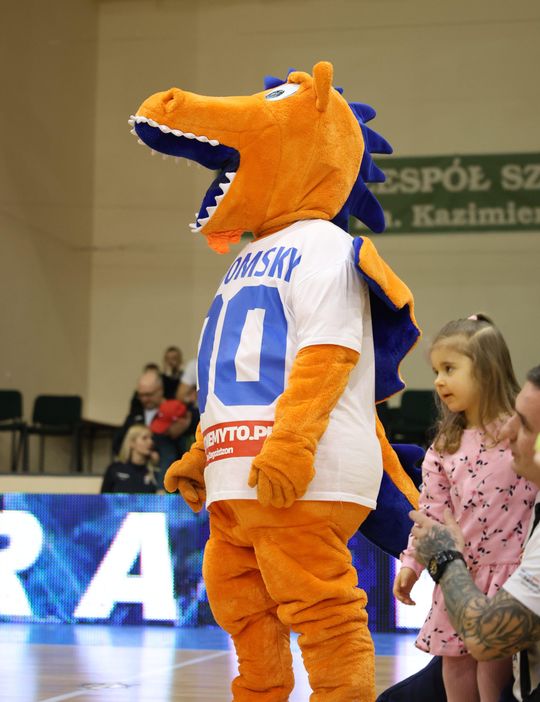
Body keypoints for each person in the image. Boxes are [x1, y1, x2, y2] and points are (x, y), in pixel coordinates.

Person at [393, 316, 537, 702]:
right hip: (457, 575)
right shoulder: (444, 447)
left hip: (508, 578)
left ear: (487, 371)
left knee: (493, 676)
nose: (439, 381)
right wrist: (411, 565)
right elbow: (430, 514)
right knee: (454, 668)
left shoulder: (520, 435)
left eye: (450, 369)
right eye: (436, 371)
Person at [113, 369, 192, 484]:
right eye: (141, 395)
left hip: (167, 475)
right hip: (136, 475)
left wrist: (184, 426)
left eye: (148, 394)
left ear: (160, 390)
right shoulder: (135, 414)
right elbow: (118, 444)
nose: (144, 399)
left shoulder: (173, 410)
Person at [101, 424, 160, 493]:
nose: (150, 442)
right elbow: (103, 497)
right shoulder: (114, 469)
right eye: (144, 438)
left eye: (151, 438)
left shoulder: (155, 472)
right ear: (132, 443)